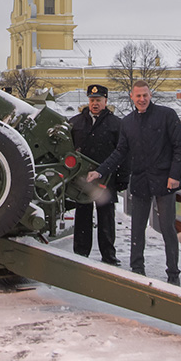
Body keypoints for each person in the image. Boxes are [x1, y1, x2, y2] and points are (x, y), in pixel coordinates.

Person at [88, 80, 181, 285]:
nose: (142, 99)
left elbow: (180, 147)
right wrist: (100, 171)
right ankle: (137, 269)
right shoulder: (128, 122)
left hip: (165, 180)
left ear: (150, 96)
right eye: (138, 96)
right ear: (131, 97)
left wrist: (175, 176)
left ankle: (173, 274)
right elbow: (120, 152)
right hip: (141, 179)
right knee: (137, 227)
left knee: (168, 228)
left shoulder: (166, 115)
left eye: (145, 95)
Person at [68, 84, 123, 265]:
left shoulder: (116, 124)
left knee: (106, 218)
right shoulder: (75, 122)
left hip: (106, 178)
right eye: (92, 100)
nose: (95, 104)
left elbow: (123, 152)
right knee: (82, 216)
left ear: (106, 101)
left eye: (98, 100)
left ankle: (108, 255)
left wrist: (122, 179)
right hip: (81, 179)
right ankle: (80, 254)